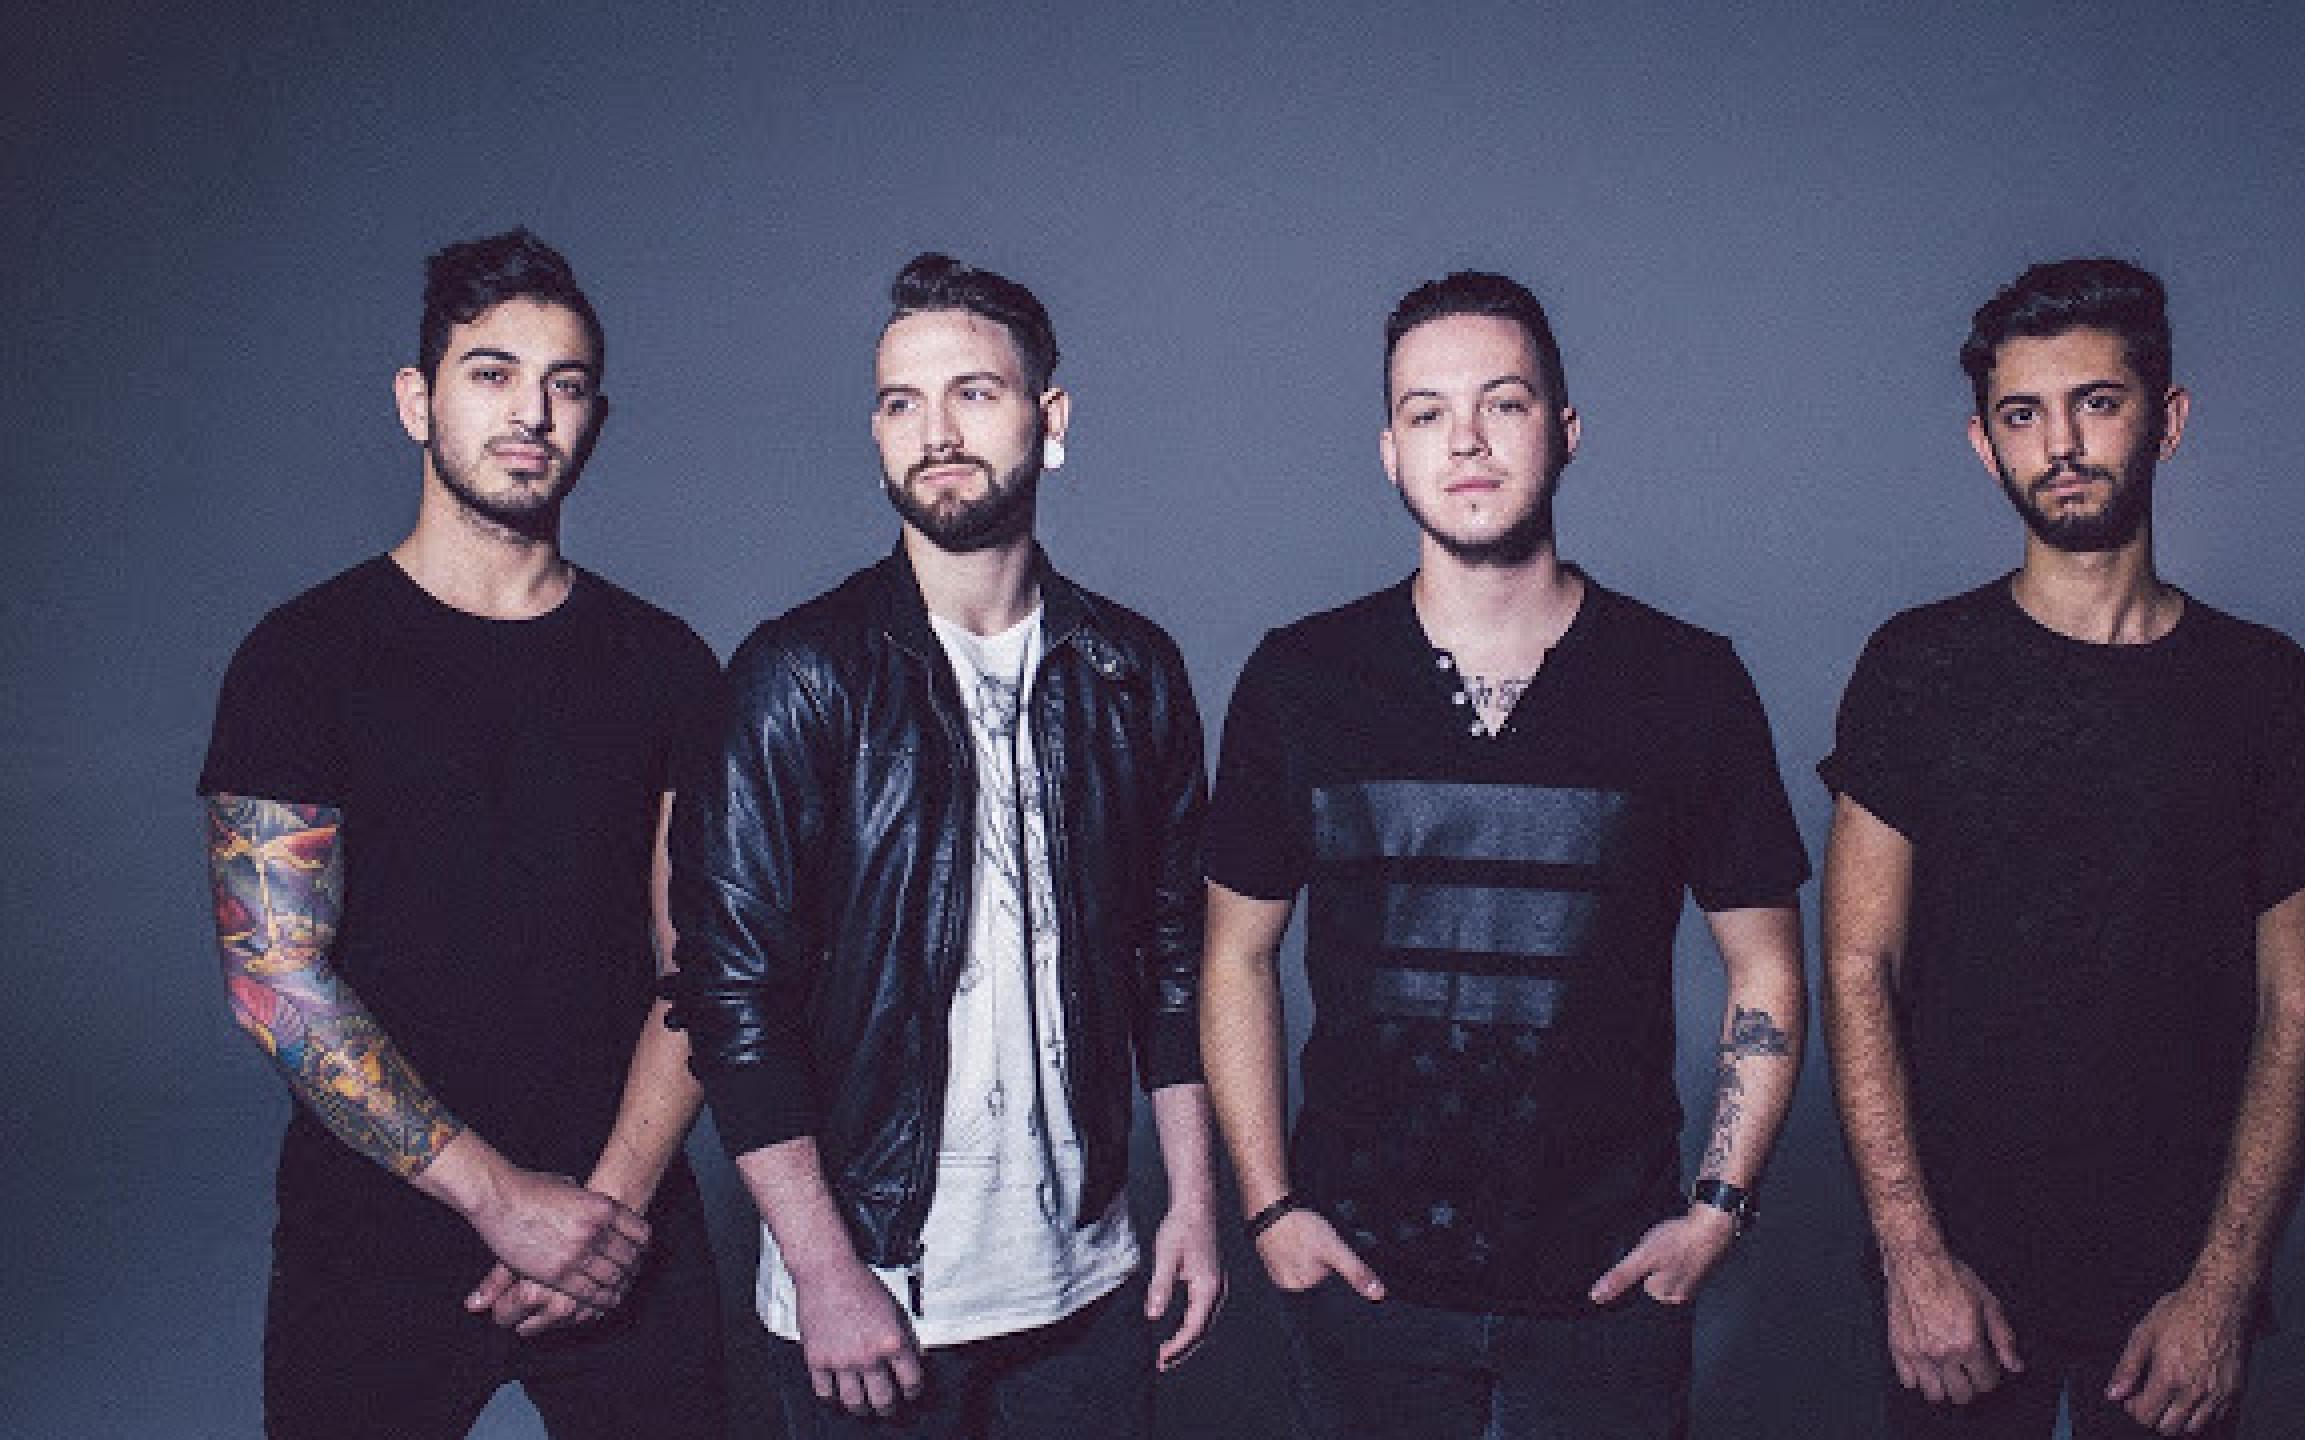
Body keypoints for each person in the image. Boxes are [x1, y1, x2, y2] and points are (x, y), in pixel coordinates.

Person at [1198, 270, 1810, 1439]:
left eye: (1504, 403)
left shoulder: (1685, 682)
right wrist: (1270, 1209)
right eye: (1427, 412)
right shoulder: (1301, 680)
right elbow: (1233, 953)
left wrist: (1719, 1210)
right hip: (1364, 1285)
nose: (1466, 440)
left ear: (1565, 431)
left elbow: (1766, 967)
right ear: (1390, 451)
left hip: (1608, 1288)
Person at [672, 253, 1223, 1439]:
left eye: (974, 392)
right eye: (900, 403)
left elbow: (1173, 958)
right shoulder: (797, 676)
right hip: (869, 1291)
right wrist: (822, 1270)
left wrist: (1193, 1198)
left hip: (1087, 1286)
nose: (935, 433)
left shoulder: (1129, 672)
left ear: (1050, 419)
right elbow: (730, 996)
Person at [1820, 257, 2305, 1438]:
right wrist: (1912, 1260)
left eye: (2096, 403)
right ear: (1985, 445)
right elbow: (1859, 969)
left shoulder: (2268, 690)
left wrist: (2221, 1291)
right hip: (1958, 1278)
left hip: (2175, 1284)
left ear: (2166, 420)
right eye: (2022, 415)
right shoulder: (1916, 667)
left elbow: (2298, 1006)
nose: (2059, 444)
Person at [200, 227, 726, 1438]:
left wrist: (605, 1217)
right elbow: (274, 976)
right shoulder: (303, 659)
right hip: (374, 1232)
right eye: (492, 373)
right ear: (416, 400)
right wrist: (499, 1202)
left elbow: (700, 965)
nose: (530, 412)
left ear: (596, 420)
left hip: (625, 1223)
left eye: (565, 384)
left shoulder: (667, 666)